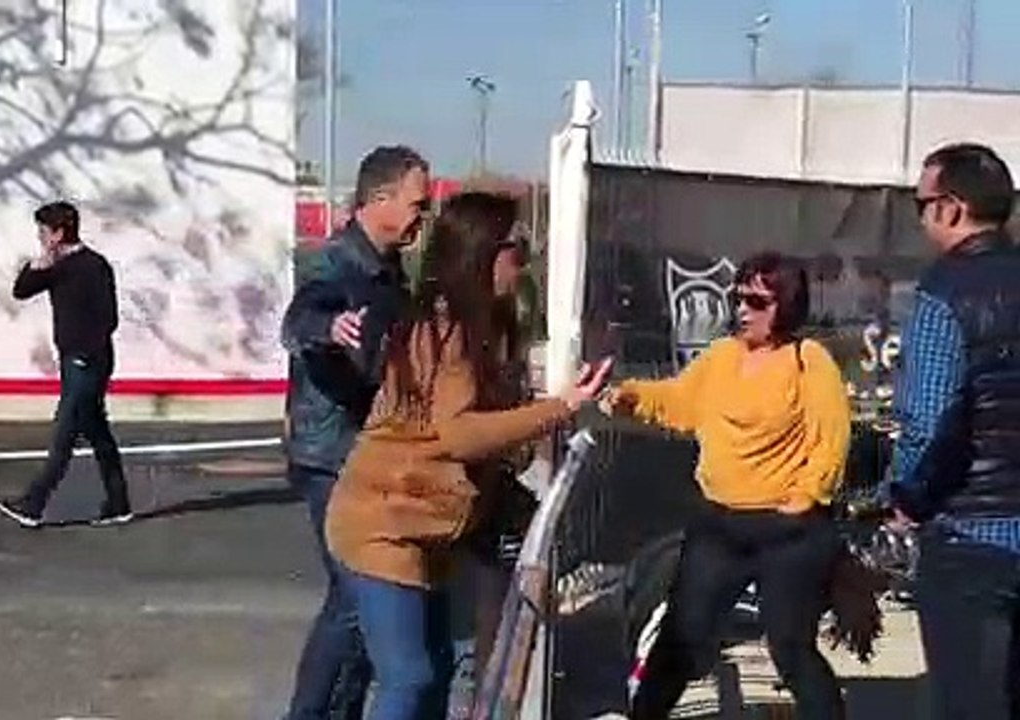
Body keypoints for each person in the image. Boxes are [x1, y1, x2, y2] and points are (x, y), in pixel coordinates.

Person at [323, 191, 614, 720]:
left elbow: (489, 436)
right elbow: (459, 435)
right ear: (483, 251)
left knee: (438, 670)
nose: (524, 260)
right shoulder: (443, 328)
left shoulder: (484, 328)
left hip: (428, 527)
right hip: (383, 524)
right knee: (408, 677)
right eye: (516, 246)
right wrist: (560, 407)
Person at [602, 252, 852, 720]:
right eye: (737, 298)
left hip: (788, 532)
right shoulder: (720, 357)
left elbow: (831, 439)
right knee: (680, 638)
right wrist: (631, 396)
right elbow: (680, 401)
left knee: (791, 648)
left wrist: (804, 498)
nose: (742, 310)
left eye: (756, 302)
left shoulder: (809, 361)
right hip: (720, 526)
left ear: (786, 305)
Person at [281, 146, 431, 720]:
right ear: (379, 199)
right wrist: (330, 327)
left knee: (367, 600)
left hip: (367, 453)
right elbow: (298, 321)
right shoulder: (335, 263)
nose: (422, 217)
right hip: (330, 454)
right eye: (416, 204)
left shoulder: (391, 269)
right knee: (354, 596)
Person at [887, 143, 1020, 720]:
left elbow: (928, 421)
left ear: (952, 207)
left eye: (921, 205)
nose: (921, 220)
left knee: (967, 703)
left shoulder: (944, 293)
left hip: (971, 537)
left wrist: (904, 498)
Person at [0, 201, 131, 528]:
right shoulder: (56, 266)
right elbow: (21, 291)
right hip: (71, 360)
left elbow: (108, 318)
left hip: (89, 361)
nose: (40, 237)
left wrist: (85, 352)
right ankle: (118, 503)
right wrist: (38, 265)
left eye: (43, 231)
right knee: (97, 432)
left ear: (58, 233)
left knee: (65, 432)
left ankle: (34, 504)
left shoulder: (93, 266)